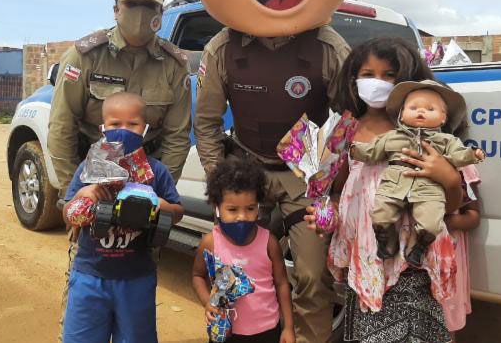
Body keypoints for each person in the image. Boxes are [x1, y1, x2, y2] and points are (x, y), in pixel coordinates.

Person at [182, 0, 366, 340]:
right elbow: (206, 122)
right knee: (238, 269)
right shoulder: (223, 49)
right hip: (247, 172)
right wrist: (225, 185)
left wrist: (327, 188)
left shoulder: (329, 49)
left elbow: (350, 124)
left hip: (304, 179)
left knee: (311, 274)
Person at [305, 37, 469, 343]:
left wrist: (445, 175)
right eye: (367, 74)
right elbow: (337, 191)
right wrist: (326, 215)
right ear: (352, 79)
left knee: (417, 331)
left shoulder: (425, 133)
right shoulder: (344, 130)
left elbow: (451, 204)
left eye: (389, 75)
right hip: (367, 254)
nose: (377, 83)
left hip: (414, 258)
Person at [48, 0, 191, 189]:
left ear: (160, 12)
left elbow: (177, 137)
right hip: (90, 172)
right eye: (132, 4)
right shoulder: (85, 56)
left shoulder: (174, 65)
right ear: (116, 10)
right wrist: (73, 190)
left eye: (150, 5)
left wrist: (159, 192)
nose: (141, 13)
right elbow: (61, 127)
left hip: (147, 174)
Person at [61, 92, 184, 343]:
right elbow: (67, 214)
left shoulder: (156, 171)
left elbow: (178, 212)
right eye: (115, 124)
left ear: (146, 128)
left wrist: (161, 205)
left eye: (133, 124)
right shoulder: (89, 169)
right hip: (90, 275)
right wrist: (86, 194)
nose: (124, 130)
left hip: (137, 278)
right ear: (102, 128)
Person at [351, 80, 485, 266]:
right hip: (394, 184)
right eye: (413, 107)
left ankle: (418, 243)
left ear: (443, 118)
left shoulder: (447, 141)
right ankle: (387, 238)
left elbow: (459, 155)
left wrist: (473, 154)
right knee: (380, 215)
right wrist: (353, 150)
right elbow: (370, 151)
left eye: (430, 109)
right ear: (402, 115)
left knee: (431, 223)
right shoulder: (391, 137)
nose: (421, 111)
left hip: (429, 189)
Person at [192, 156, 296, 343]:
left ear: (258, 207)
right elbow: (198, 276)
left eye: (250, 208)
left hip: (267, 331)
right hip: (227, 332)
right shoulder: (210, 243)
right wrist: (207, 302)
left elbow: (281, 284)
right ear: (217, 208)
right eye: (232, 210)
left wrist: (288, 327)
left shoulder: (269, 242)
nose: (242, 217)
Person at [441, 165, 482, 341]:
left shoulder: (459, 166)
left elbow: (472, 216)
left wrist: (444, 221)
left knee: (444, 326)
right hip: (411, 267)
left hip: (446, 268)